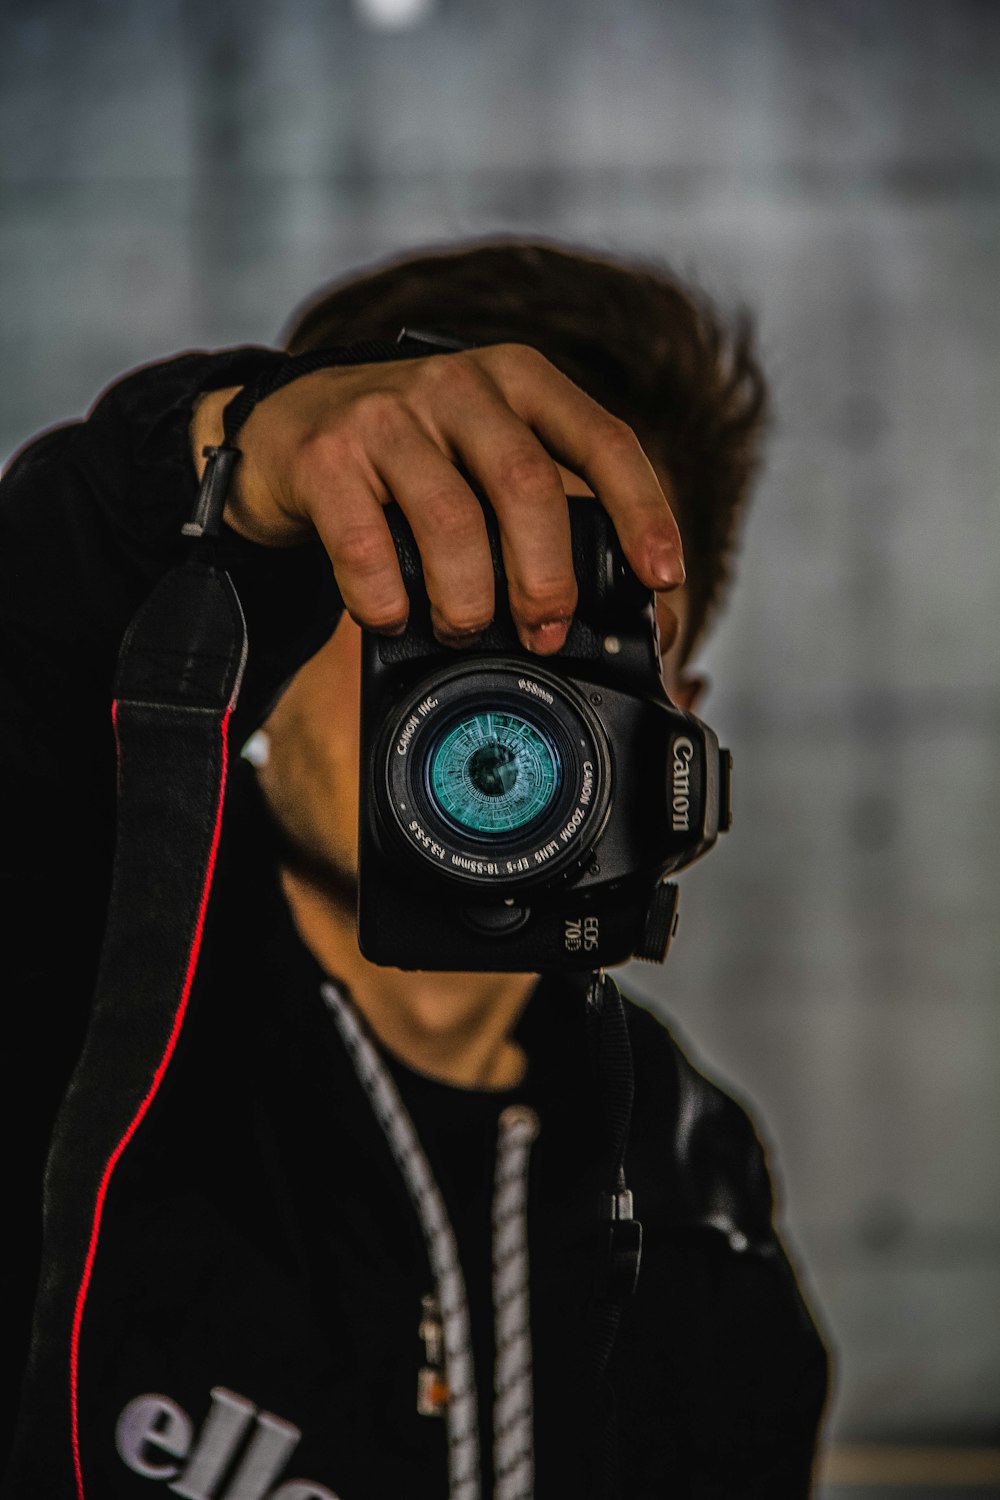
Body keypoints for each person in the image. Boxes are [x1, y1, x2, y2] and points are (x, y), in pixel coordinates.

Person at [1, 240, 828, 1498]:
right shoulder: (85, 987)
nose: (474, 689)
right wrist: (220, 452)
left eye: (572, 639)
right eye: (411, 578)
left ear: (676, 741)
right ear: (272, 630)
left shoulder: (686, 1173)